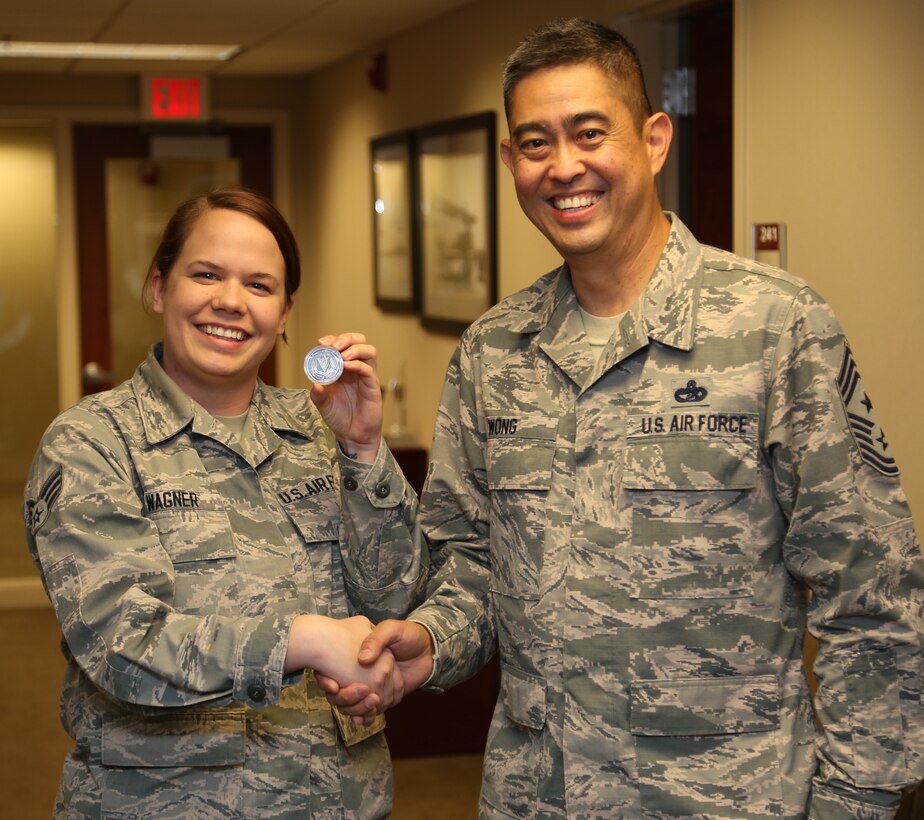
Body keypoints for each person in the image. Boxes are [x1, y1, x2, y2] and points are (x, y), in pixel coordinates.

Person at [323, 17, 924, 819]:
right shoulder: (493, 353)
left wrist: (857, 801)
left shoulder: (775, 328)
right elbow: (472, 570)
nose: (563, 167)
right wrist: (428, 644)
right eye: (535, 143)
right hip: (537, 799)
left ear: (654, 139)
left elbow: (873, 595)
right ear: (510, 162)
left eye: (589, 133)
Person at [23, 187, 426, 818]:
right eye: (205, 274)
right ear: (159, 288)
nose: (230, 302)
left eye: (260, 286)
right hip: (168, 803)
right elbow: (122, 645)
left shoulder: (320, 426)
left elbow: (395, 600)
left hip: (339, 800)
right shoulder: (92, 443)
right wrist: (306, 638)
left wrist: (364, 452)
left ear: (286, 312)